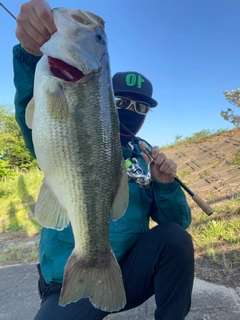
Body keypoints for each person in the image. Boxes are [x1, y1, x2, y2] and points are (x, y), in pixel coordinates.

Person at [13, 1, 194, 319]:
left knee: (176, 238)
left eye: (142, 107)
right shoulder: (72, 113)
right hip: (69, 279)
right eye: (123, 101)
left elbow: (176, 225)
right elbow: (34, 115)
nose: (133, 112)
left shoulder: (144, 157)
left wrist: (164, 186)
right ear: (107, 99)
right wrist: (29, 55)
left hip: (126, 274)